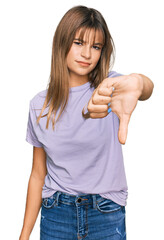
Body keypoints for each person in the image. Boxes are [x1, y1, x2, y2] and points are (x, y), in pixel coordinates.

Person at [19, 5, 154, 240]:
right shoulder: (39, 105)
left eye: (96, 46)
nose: (87, 54)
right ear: (62, 43)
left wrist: (138, 83)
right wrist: (24, 235)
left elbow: (142, 87)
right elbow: (38, 174)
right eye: (79, 42)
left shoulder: (110, 87)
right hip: (56, 213)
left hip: (106, 212)